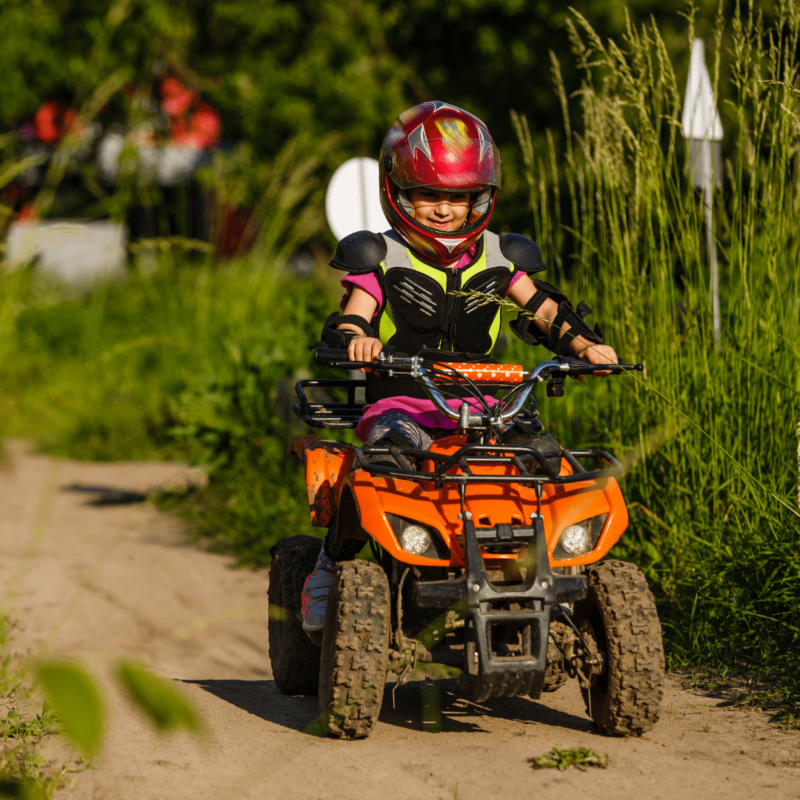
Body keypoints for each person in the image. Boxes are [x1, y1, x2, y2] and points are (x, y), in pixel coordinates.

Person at [301, 101, 618, 634]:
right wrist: (359, 340)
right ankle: (331, 565)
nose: (444, 210)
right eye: (429, 194)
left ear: (481, 198)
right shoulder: (380, 257)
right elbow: (351, 318)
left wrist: (585, 347)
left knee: (544, 464)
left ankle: (557, 577)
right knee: (385, 464)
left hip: (488, 404)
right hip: (404, 401)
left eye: (458, 196)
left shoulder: (502, 257)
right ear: (398, 191)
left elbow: (542, 311)